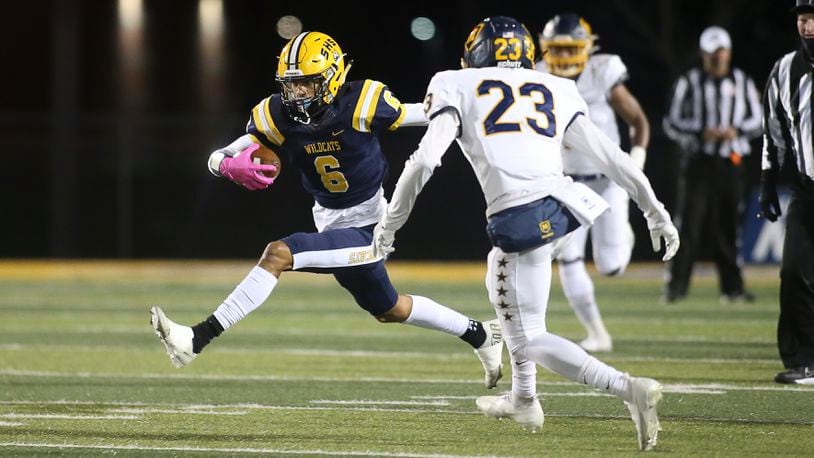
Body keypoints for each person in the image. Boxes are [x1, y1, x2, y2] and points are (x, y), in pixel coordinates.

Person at [373, 16, 679, 451]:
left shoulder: (455, 81)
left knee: (529, 332)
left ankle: (626, 387)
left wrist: (389, 226)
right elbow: (612, 157)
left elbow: (423, 163)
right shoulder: (555, 85)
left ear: (476, 53)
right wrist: (655, 211)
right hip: (569, 205)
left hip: (520, 214)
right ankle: (523, 399)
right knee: (510, 295)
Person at [149, 31, 505, 390]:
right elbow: (218, 155)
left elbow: (424, 114)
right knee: (389, 308)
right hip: (331, 223)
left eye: (307, 83)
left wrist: (480, 113)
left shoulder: (363, 102)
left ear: (332, 77)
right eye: (292, 84)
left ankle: (197, 339)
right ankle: (481, 335)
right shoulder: (277, 114)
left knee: (277, 254)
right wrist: (226, 167)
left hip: (369, 229)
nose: (298, 92)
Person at [536, 13, 651, 352]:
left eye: (571, 49)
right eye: (558, 49)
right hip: (566, 183)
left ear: (588, 47)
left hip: (607, 180)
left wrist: (637, 162)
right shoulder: (537, 77)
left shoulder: (603, 72)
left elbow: (638, 119)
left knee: (611, 267)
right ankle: (597, 333)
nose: (566, 57)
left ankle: (623, 233)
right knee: (568, 259)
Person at [662, 26, 763, 304]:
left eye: (721, 52)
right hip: (699, 163)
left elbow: (758, 121)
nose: (717, 58)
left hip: (731, 163)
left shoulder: (742, 81)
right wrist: (699, 132)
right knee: (687, 226)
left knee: (729, 227)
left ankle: (733, 290)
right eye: (712, 53)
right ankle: (675, 287)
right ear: (703, 54)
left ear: (728, 53)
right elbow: (670, 122)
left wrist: (736, 131)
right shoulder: (689, 82)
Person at [760, 0, 814, 385]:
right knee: (794, 272)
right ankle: (805, 360)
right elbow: (774, 132)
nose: (807, 26)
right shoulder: (784, 70)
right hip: (807, 190)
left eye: (813, 18)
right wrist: (767, 181)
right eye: (803, 18)